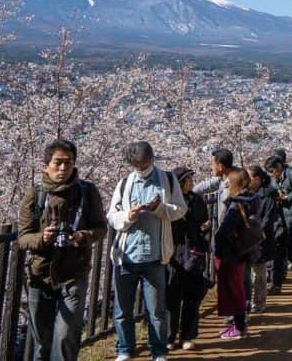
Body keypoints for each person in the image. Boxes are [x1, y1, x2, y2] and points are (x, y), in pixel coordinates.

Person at [18, 139, 106, 361]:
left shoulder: (87, 192)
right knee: (42, 341)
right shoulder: (35, 195)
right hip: (40, 275)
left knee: (66, 335)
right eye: (57, 162)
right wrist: (42, 238)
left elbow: (101, 228)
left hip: (74, 272)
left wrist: (83, 236)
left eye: (68, 163)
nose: (63, 168)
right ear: (45, 166)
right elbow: (23, 237)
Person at [107, 141, 187, 361]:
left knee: (157, 310)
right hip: (126, 256)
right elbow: (112, 217)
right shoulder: (124, 184)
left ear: (152, 159)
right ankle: (125, 349)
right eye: (137, 164)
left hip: (155, 255)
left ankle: (158, 350)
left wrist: (159, 209)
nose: (141, 168)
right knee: (122, 310)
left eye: (144, 163)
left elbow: (180, 210)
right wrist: (128, 216)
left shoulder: (168, 180)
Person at [213, 168, 262, 341]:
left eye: (228, 183)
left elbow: (223, 232)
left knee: (234, 291)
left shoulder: (236, 205)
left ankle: (239, 327)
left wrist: (216, 248)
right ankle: (238, 325)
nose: (226, 186)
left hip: (232, 253)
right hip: (244, 250)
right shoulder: (253, 200)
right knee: (239, 288)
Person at [168, 167, 210, 352]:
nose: (192, 183)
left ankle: (187, 335)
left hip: (193, 252)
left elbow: (204, 221)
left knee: (192, 298)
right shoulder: (168, 203)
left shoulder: (197, 200)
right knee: (171, 297)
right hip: (173, 253)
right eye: (188, 180)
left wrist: (204, 229)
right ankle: (169, 335)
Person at [265, 153, 292, 296]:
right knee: (277, 252)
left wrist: (288, 197)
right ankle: (276, 284)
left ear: (279, 166)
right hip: (279, 219)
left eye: (273, 171)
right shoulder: (272, 179)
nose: (273, 175)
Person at [248, 165, 277, 313]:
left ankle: (259, 302)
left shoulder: (269, 194)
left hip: (261, 238)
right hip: (249, 238)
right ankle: (250, 301)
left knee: (259, 273)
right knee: (251, 273)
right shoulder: (246, 193)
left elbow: (268, 217)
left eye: (250, 178)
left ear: (257, 179)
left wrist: (257, 232)